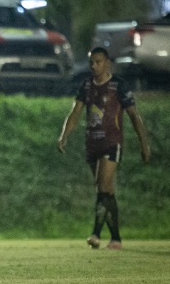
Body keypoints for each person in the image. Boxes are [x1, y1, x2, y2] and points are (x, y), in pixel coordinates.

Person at [57, 47, 151, 250]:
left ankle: (95, 234)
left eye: (98, 62)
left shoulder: (118, 85)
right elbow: (75, 113)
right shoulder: (87, 86)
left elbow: (134, 116)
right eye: (91, 62)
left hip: (111, 142)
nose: (94, 66)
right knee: (106, 191)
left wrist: (144, 143)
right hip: (92, 143)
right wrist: (64, 135)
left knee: (102, 188)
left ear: (107, 63)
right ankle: (116, 238)